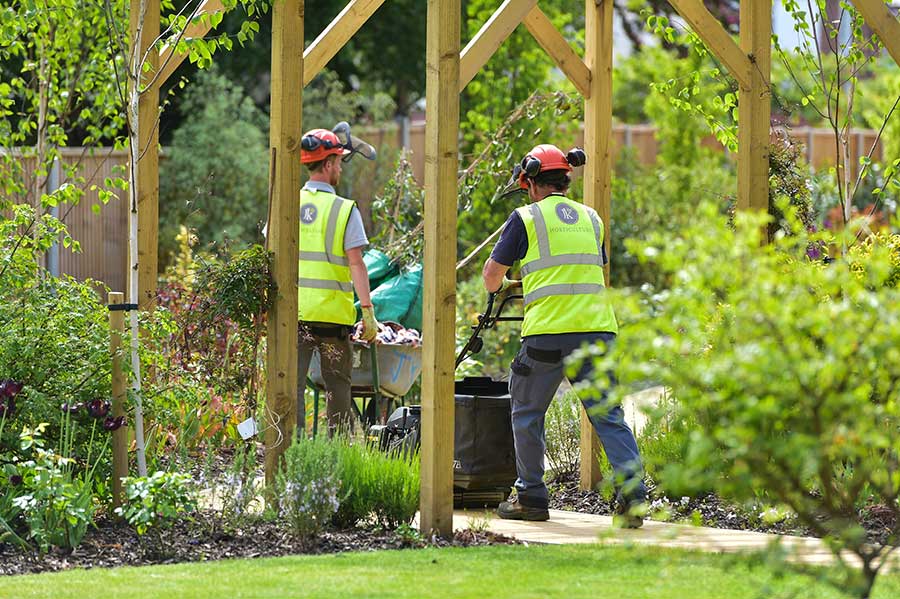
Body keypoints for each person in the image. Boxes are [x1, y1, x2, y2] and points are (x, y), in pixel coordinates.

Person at [482, 143, 646, 527]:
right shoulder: (592, 219)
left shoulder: (524, 218)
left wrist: (507, 283)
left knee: (526, 412)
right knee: (608, 415)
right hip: (597, 331)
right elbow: (582, 269)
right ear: (565, 179)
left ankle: (531, 498)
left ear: (533, 181)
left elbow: (491, 278)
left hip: (547, 335)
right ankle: (634, 496)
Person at [296, 125, 378, 436]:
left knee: (290, 390)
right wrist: (368, 311)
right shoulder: (344, 210)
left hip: (296, 319)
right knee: (337, 392)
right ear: (329, 163)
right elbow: (356, 264)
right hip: (332, 321)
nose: (340, 168)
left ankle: (290, 456)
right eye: (339, 163)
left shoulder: (288, 202)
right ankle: (338, 458)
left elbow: (271, 252)